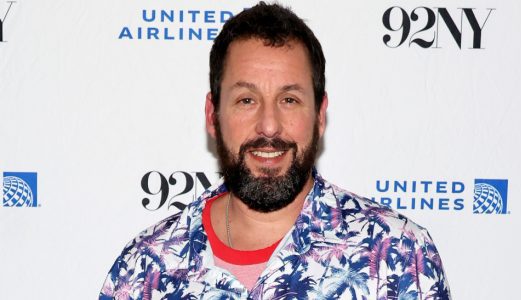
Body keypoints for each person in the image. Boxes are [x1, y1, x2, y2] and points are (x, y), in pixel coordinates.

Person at [100, 2, 451, 299]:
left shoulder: (401, 254)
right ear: (212, 115)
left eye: (289, 99)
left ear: (319, 115)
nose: (269, 126)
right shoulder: (145, 267)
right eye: (247, 100)